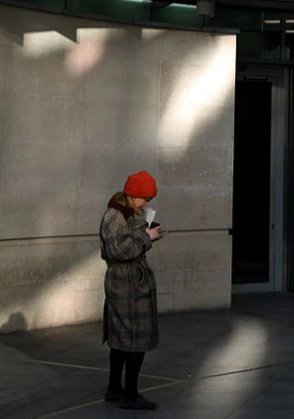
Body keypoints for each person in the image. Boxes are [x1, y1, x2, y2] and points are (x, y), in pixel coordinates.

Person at [100, 170, 165, 410]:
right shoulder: (114, 216)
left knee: (121, 338)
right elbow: (118, 250)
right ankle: (130, 394)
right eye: (145, 197)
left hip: (129, 281)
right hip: (125, 282)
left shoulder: (128, 212)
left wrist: (149, 233)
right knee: (135, 338)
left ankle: (115, 389)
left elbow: (128, 243)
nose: (148, 202)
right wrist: (146, 237)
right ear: (133, 194)